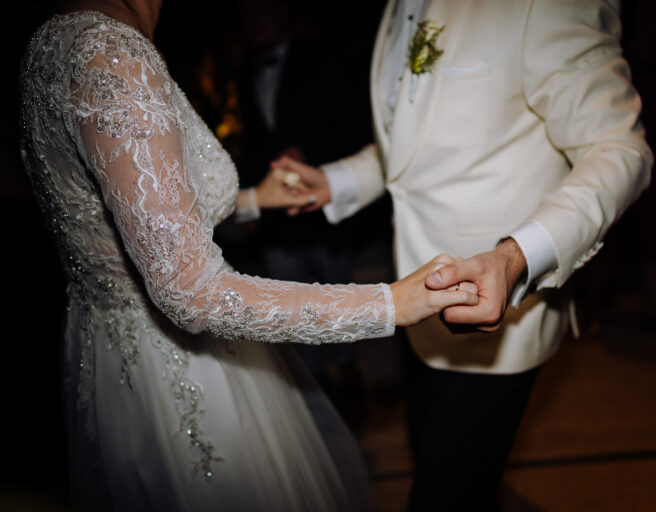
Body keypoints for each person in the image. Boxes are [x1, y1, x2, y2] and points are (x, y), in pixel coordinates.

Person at [19, 1, 478, 510]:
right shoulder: (112, 56)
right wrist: (389, 303)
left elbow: (135, 214)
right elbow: (192, 290)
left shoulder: (52, 38)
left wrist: (257, 198)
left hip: (105, 350)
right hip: (179, 366)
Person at [273, 0, 653, 509]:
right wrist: (336, 182)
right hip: (413, 308)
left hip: (501, 319)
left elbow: (619, 149)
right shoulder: (393, 8)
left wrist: (516, 256)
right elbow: (406, 146)